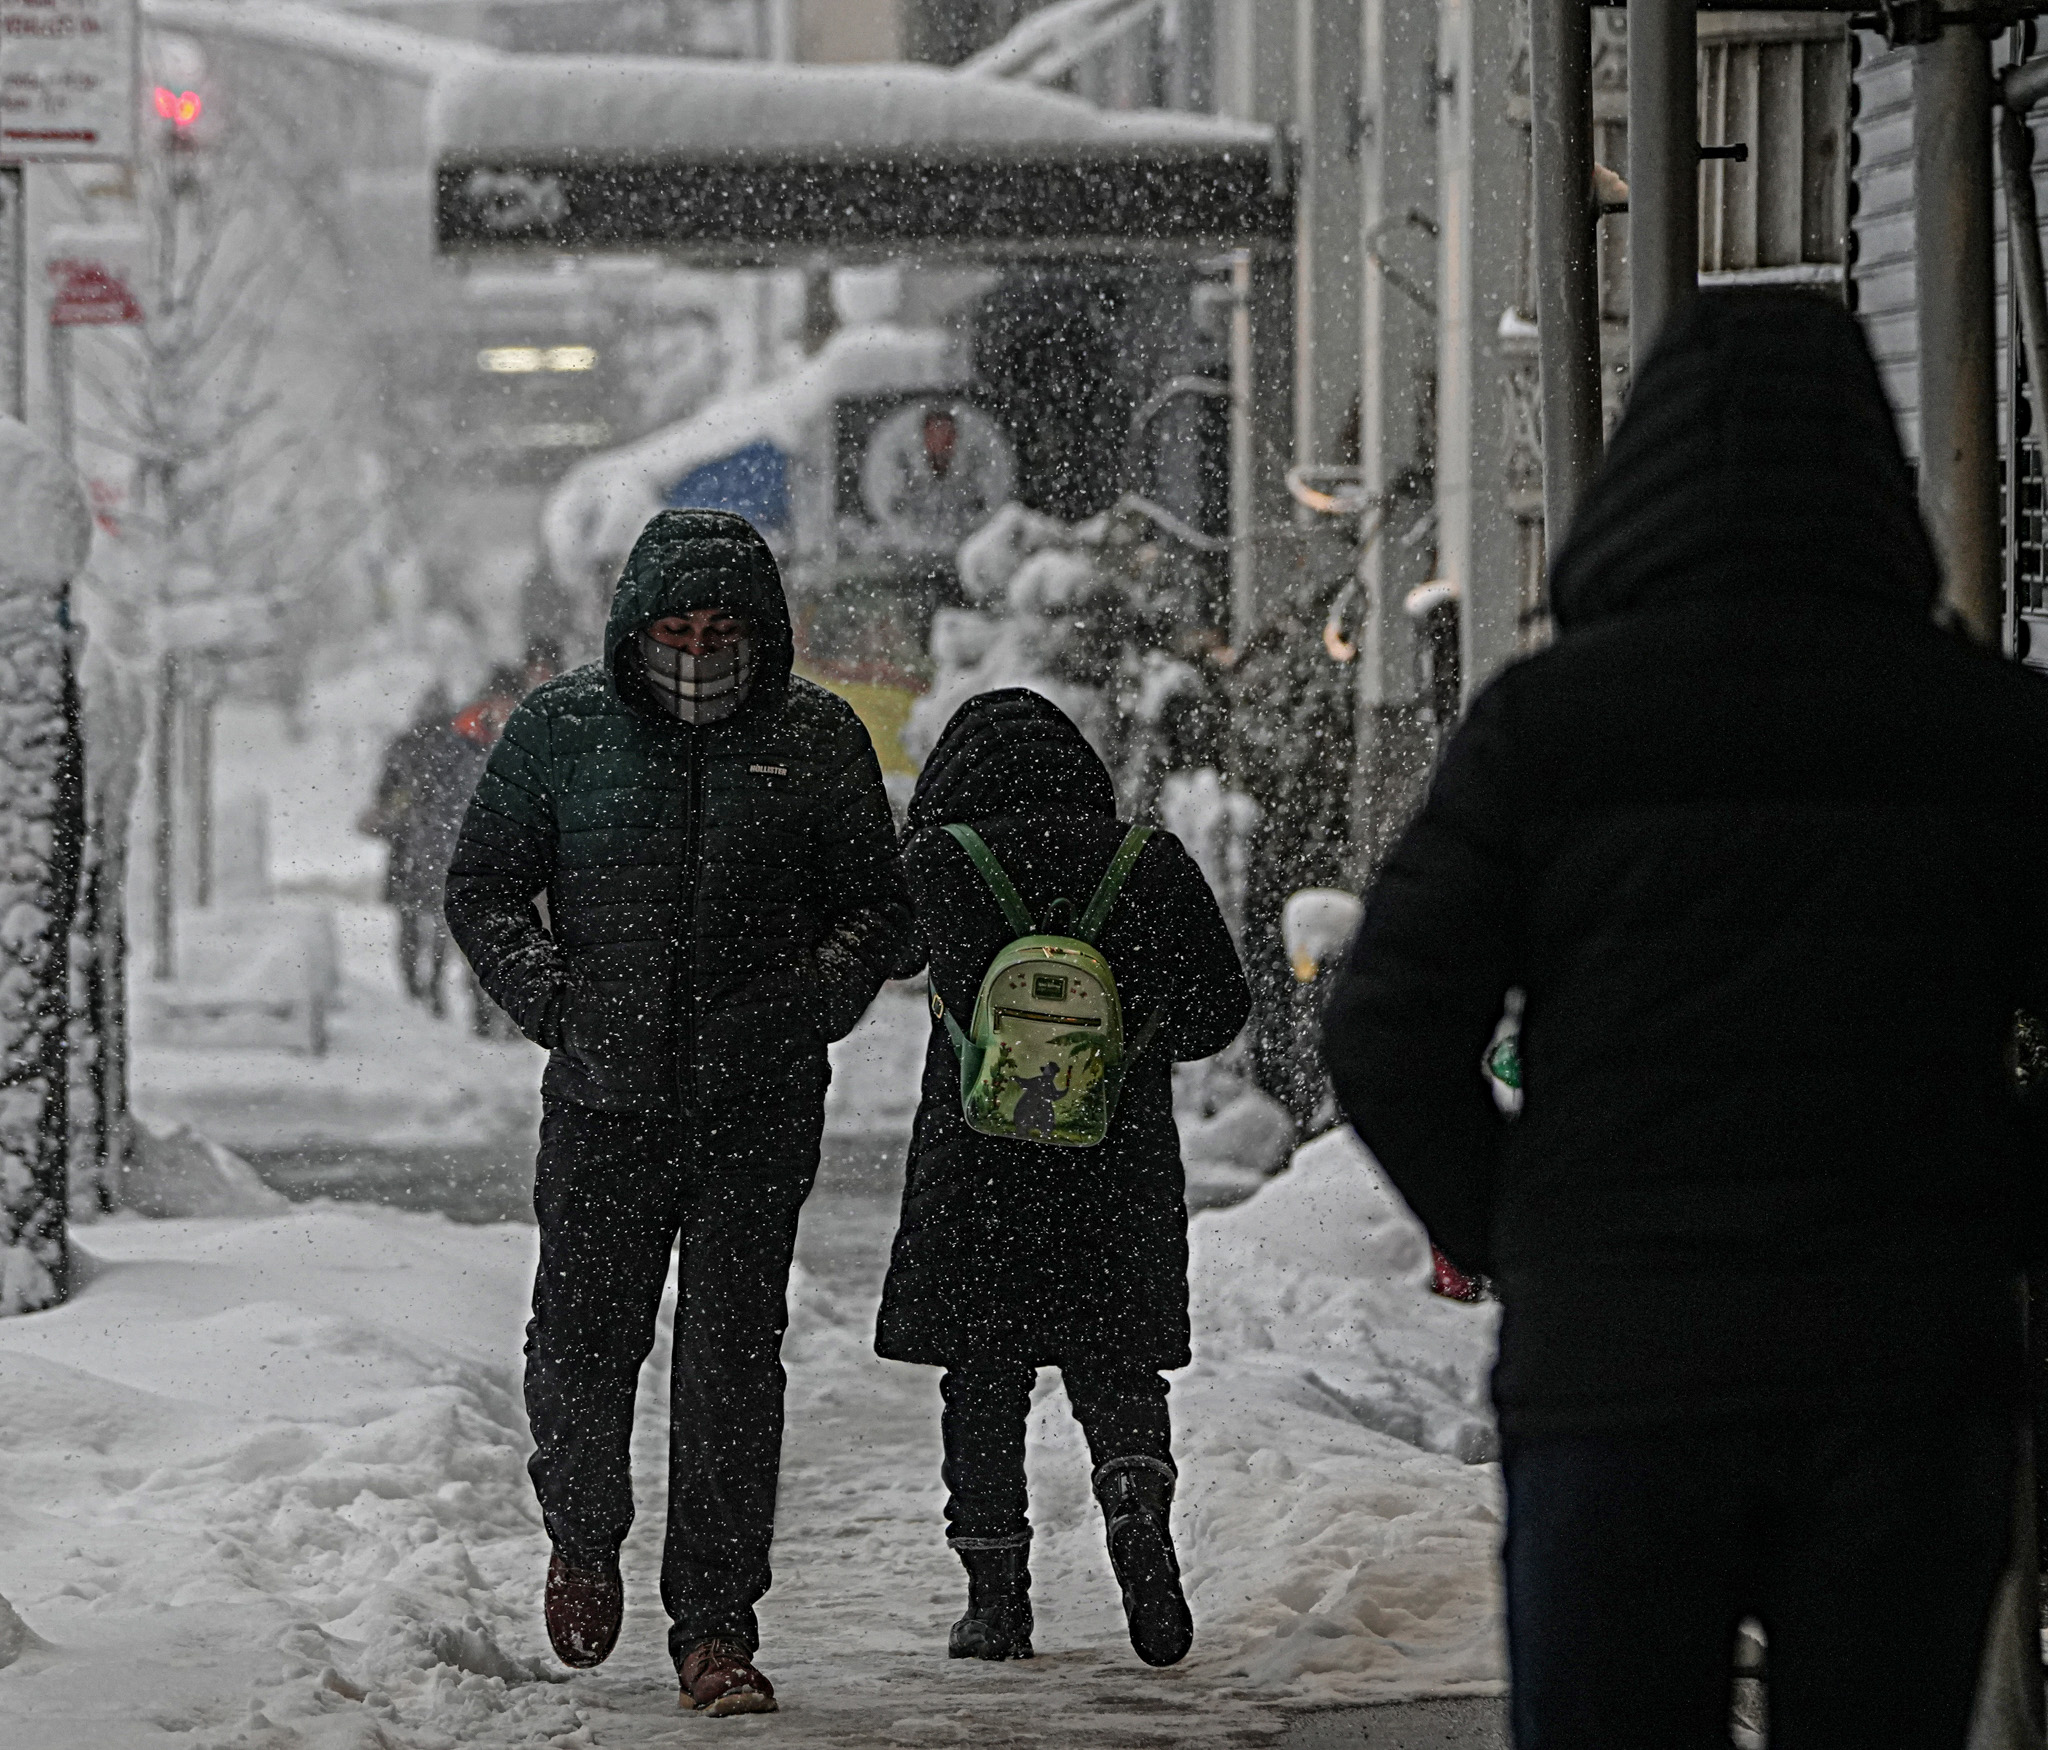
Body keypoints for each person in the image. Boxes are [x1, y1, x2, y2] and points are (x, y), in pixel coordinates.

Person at [1320, 290, 2048, 1749]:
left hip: (1621, 1374)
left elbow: (1387, 1021)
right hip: (1901, 1365)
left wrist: (1530, 1225)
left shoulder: (1548, 726)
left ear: (1634, 484)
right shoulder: (1984, 727)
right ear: (1875, 480)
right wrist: (1994, 1201)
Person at [444, 509, 911, 1716]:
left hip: (758, 1108)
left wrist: (806, 1003)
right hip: (604, 1101)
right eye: (675, 628)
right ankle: (584, 1536)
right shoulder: (560, 731)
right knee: (583, 1342)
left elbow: (874, 905)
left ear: (760, 633)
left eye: (721, 631)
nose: (698, 652)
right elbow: (485, 887)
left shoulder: (814, 737)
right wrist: (556, 999)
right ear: (633, 626)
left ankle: (714, 1624)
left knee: (729, 1368)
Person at [876, 688, 1249, 1668]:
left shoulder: (938, 863)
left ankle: (994, 1601)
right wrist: (1125, 1044)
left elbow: (877, 954)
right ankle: (1133, 1509)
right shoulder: (1147, 860)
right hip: (1111, 1164)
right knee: (1115, 1362)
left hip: (977, 1162)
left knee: (983, 1375)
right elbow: (1219, 1011)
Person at [444, 665, 531, 1040]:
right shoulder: (465, 739)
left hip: (523, 853)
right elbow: (450, 795)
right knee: (478, 934)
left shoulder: (528, 738)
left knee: (520, 935)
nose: (504, 707)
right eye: (500, 699)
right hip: (476, 851)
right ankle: (481, 1008)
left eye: (510, 700)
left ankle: (516, 1013)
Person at [363, 684, 462, 1012]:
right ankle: (430, 985)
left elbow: (384, 796)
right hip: (438, 844)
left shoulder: (405, 745)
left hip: (412, 844)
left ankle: (416, 986)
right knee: (436, 922)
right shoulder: (454, 746)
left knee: (411, 922)